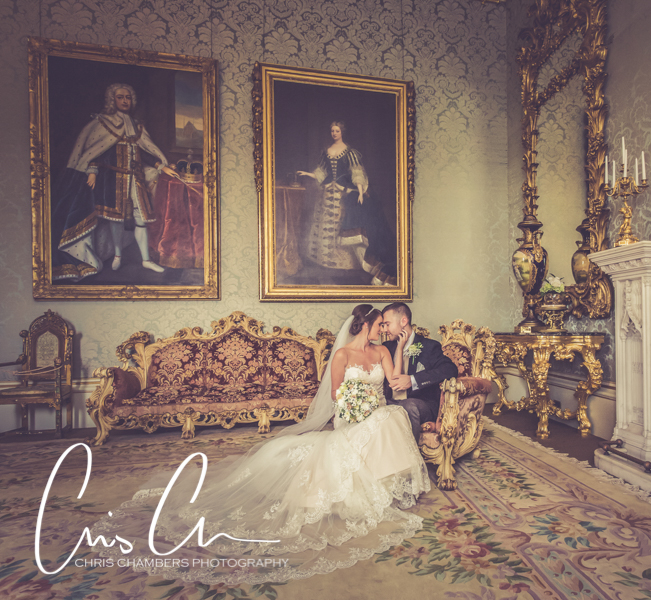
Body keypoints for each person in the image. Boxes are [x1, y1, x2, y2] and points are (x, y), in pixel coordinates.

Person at [90, 305, 429, 583]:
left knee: (392, 416)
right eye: (379, 325)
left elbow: (397, 386)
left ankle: (390, 480)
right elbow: (335, 396)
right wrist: (357, 410)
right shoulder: (341, 355)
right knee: (382, 421)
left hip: (376, 410)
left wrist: (398, 349)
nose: (383, 330)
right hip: (350, 414)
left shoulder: (384, 350)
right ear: (364, 324)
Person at [51, 83, 175, 281]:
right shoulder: (102, 123)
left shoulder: (137, 125)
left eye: (127, 97)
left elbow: (145, 153)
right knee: (115, 221)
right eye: (120, 97)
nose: (125, 101)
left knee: (141, 220)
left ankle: (145, 260)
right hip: (113, 180)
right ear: (112, 100)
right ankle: (117, 256)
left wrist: (161, 165)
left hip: (136, 179)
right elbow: (97, 150)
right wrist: (91, 170)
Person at [296, 121, 396, 285]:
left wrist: (361, 191)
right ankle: (325, 261)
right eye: (332, 131)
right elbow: (321, 172)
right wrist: (307, 173)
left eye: (337, 131)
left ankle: (349, 264)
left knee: (341, 222)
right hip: (328, 192)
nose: (334, 133)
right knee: (324, 222)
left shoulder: (350, 153)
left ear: (342, 132)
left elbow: (357, 172)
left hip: (344, 192)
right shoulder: (326, 152)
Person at [381, 302, 459, 440]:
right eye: (383, 325)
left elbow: (450, 369)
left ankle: (410, 456)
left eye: (388, 324)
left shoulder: (429, 346)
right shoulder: (386, 347)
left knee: (409, 406)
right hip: (390, 401)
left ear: (403, 321)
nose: (384, 329)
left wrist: (413, 380)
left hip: (421, 404)